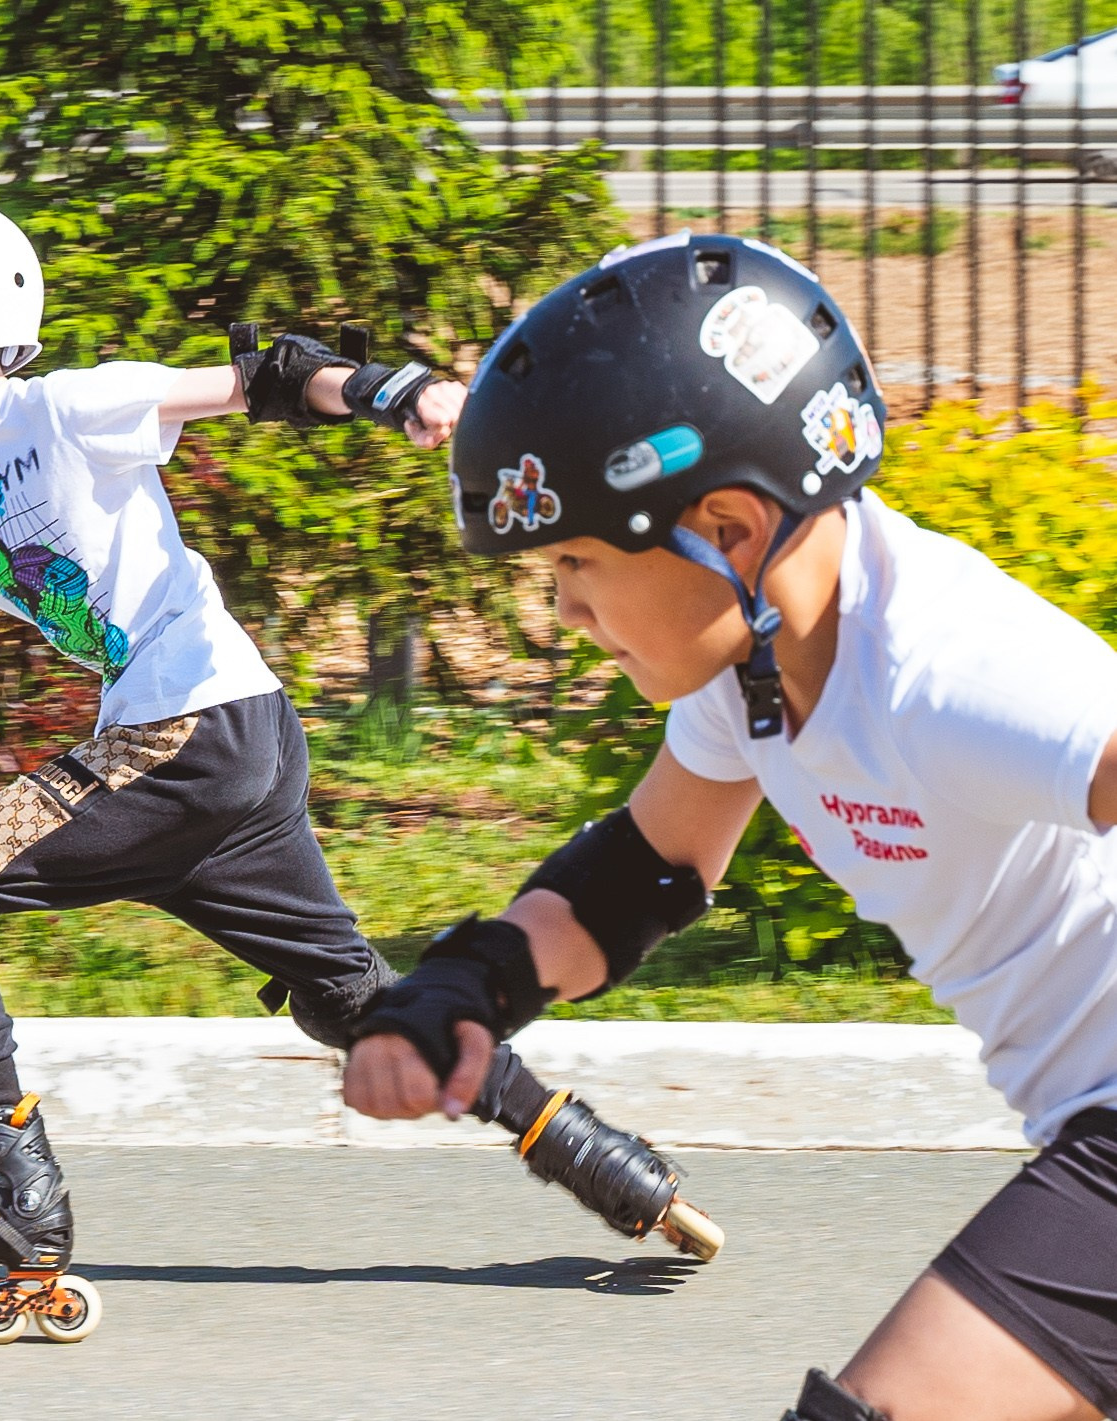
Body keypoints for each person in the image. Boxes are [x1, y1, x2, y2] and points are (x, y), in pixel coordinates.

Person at [0, 196, 698, 1347]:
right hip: (227, 744)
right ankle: (596, 1157)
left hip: (183, 735)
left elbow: (264, 378)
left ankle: (7, 1199)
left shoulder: (61, 413)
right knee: (357, 1003)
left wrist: (401, 394)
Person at [342, 231, 1117, 1419]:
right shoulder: (754, 675)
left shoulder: (945, 671)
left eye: (583, 561)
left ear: (733, 529)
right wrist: (467, 984)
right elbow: (644, 872)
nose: (568, 609)